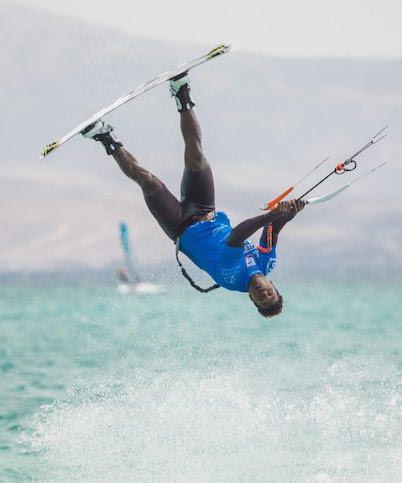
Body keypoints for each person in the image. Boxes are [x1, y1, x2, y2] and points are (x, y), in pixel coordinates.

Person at [80, 73, 305, 317]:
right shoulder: (267, 262)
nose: (264, 293)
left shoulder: (232, 278)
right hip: (205, 210)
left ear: (251, 299)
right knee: (196, 154)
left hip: (179, 226)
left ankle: (105, 136)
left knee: (146, 179)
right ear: (274, 286)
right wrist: (289, 213)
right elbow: (272, 231)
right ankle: (181, 93)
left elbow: (238, 236)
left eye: (261, 299)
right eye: (269, 293)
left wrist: (271, 215)